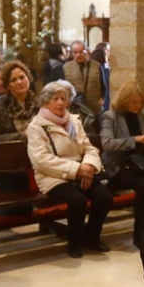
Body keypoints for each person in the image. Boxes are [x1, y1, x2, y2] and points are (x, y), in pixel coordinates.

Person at [28, 80, 111, 257]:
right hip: (52, 177)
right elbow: (41, 160)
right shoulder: (37, 126)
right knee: (77, 200)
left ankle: (91, 237)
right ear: (45, 102)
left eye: (63, 98)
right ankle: (75, 243)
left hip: (80, 172)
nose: (60, 103)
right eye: (55, 99)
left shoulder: (73, 121)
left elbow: (88, 148)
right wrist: (76, 169)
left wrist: (88, 167)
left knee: (104, 197)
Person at [97, 77, 144, 247]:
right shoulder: (110, 117)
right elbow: (107, 143)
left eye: (140, 103)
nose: (137, 107)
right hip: (119, 166)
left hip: (141, 163)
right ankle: (140, 234)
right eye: (134, 103)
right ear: (125, 101)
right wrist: (134, 140)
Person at [0, 61, 41, 142]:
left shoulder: (39, 103)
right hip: (10, 152)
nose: (19, 82)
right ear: (8, 86)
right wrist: (22, 136)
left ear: (28, 78)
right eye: (13, 80)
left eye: (22, 77)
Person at [62, 40, 106, 121]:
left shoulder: (96, 65)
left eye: (81, 52)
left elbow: (102, 85)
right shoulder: (66, 67)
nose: (78, 55)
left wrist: (101, 99)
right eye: (75, 52)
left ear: (86, 51)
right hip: (75, 107)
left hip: (94, 107)